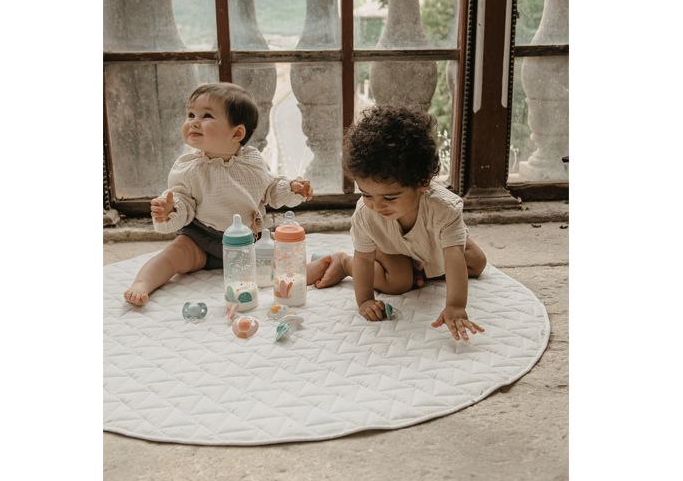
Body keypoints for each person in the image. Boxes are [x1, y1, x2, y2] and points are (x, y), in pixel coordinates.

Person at [123, 82, 314, 306]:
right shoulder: (188, 167)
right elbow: (183, 200)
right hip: (201, 239)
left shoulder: (252, 161)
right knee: (171, 256)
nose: (194, 122)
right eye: (191, 114)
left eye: (206, 116)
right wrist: (170, 210)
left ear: (237, 133)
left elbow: (270, 188)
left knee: (285, 260)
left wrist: (291, 188)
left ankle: (316, 270)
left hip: (249, 242)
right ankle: (142, 283)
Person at [309, 105, 488, 341]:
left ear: (422, 183)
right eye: (366, 194)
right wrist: (365, 300)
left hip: (434, 244)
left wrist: (455, 306)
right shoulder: (366, 213)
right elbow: (364, 258)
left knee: (476, 263)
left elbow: (454, 256)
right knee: (398, 282)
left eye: (390, 198)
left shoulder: (444, 209)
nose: (377, 205)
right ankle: (343, 263)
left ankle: (425, 265)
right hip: (392, 248)